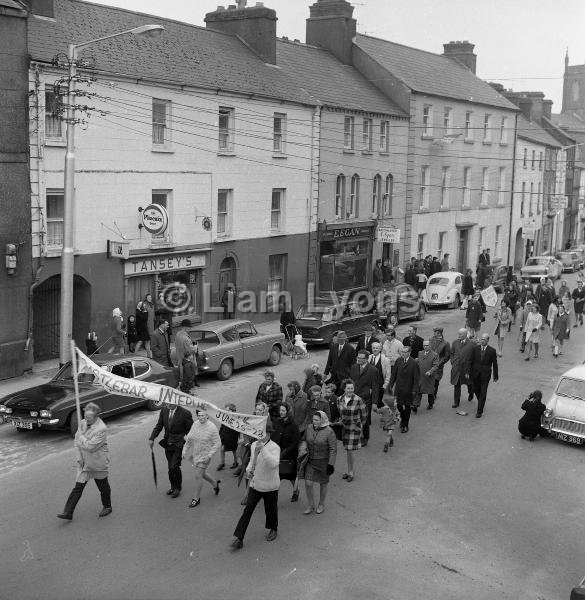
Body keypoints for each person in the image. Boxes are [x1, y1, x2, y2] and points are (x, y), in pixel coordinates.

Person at [57, 403, 112, 520]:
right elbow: (76, 442)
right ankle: (68, 512)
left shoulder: (101, 429)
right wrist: (79, 458)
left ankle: (107, 506)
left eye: (89, 418)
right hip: (84, 463)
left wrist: (82, 437)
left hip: (97, 463)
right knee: (78, 487)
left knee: (103, 486)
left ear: (96, 417)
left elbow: (91, 447)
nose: (86, 419)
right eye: (85, 416)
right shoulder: (82, 423)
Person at [230, 431, 280, 550]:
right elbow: (252, 461)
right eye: (258, 434)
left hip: (270, 485)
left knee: (271, 509)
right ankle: (239, 538)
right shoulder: (253, 445)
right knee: (247, 510)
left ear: (268, 435)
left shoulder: (275, 447)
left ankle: (273, 529)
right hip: (256, 484)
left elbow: (273, 464)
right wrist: (248, 470)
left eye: (262, 434)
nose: (259, 436)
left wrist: (263, 449)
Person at [148, 401, 194, 498]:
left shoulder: (185, 413)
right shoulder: (164, 410)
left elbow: (191, 430)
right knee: (170, 467)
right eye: (166, 402)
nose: (167, 404)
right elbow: (159, 426)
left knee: (174, 466)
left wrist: (187, 439)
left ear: (176, 402)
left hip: (179, 443)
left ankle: (178, 488)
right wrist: (152, 438)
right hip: (168, 442)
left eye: (169, 402)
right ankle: (173, 486)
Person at [182, 410, 221, 508]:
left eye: (203, 415)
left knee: (198, 475)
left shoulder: (212, 427)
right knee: (202, 474)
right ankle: (215, 483)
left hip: (205, 456)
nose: (201, 417)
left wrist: (209, 455)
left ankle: (196, 498)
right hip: (196, 454)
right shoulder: (195, 424)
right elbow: (190, 438)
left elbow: (217, 443)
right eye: (199, 415)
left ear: (207, 415)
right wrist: (184, 450)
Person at [300, 411, 337, 514]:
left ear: (322, 420)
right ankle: (311, 505)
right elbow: (303, 440)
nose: (314, 422)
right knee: (308, 483)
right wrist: (302, 448)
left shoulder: (329, 432)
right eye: (313, 419)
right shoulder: (309, 427)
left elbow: (333, 449)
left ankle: (321, 504)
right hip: (311, 461)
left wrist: (331, 464)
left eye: (316, 420)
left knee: (323, 483)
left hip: (323, 462)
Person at [337, 380, 366, 482]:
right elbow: (340, 413)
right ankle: (349, 470)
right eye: (348, 388)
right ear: (344, 388)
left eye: (352, 388)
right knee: (348, 450)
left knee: (350, 451)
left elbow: (364, 416)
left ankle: (351, 472)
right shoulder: (339, 399)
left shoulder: (358, 400)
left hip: (354, 428)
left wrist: (358, 425)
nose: (350, 390)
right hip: (344, 428)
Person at [348, 349, 379, 446]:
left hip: (365, 399)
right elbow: (350, 382)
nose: (358, 359)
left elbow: (375, 387)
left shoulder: (373, 370)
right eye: (358, 357)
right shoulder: (353, 367)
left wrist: (374, 402)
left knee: (364, 420)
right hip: (353, 397)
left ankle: (365, 437)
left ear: (366, 359)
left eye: (361, 358)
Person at [271, 403, 300, 501]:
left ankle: (296, 491)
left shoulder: (293, 425)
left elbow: (295, 441)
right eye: (280, 410)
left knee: (291, 476)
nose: (281, 412)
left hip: (289, 456)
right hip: (276, 454)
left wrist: (285, 452)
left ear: (288, 411)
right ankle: (274, 498)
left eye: (283, 410)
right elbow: (273, 435)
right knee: (277, 477)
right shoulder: (277, 422)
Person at [389, 347, 419, 432]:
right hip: (399, 389)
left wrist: (414, 389)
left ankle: (405, 424)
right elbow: (394, 374)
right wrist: (390, 385)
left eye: (405, 352)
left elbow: (416, 378)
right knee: (398, 405)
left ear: (409, 352)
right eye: (402, 352)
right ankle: (403, 418)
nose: (403, 354)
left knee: (407, 407)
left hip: (408, 389)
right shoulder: (398, 361)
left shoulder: (413, 363)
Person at [469, 333, 498, 418]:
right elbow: (471, 361)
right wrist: (468, 372)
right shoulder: (475, 348)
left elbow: (495, 364)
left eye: (484, 339)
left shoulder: (492, 350)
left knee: (483, 392)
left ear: (488, 340)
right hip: (475, 374)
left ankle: (479, 411)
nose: (482, 341)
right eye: (481, 339)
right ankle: (481, 401)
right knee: (476, 390)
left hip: (485, 375)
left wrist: (495, 376)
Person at [450, 328, 475, 408]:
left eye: (460, 334)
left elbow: (475, 356)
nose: (459, 335)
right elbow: (452, 353)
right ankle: (456, 402)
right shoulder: (455, 342)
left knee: (469, 383)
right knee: (457, 385)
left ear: (465, 334)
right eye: (458, 334)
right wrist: (453, 361)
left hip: (467, 369)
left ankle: (471, 393)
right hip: (457, 368)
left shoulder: (472, 344)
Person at [174, 319, 199, 392]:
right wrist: (196, 346)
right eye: (189, 327)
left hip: (180, 357)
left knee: (182, 374)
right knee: (188, 376)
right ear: (185, 327)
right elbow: (191, 350)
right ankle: (186, 391)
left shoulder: (177, 334)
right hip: (187, 360)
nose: (190, 329)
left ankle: (183, 387)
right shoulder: (185, 338)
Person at [416, 340, 440, 410]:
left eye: (427, 345)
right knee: (418, 390)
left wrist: (430, 372)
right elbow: (418, 362)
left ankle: (431, 403)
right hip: (420, 375)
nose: (425, 347)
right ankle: (415, 405)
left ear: (430, 346)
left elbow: (435, 366)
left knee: (430, 391)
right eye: (424, 345)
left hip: (429, 376)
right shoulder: (420, 353)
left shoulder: (434, 354)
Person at [217, 403, 239, 471]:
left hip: (232, 438)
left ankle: (236, 462)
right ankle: (222, 463)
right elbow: (222, 427)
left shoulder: (236, 418)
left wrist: (238, 438)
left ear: (232, 410)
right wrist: (220, 434)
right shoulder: (225, 416)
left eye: (228, 410)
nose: (226, 411)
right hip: (225, 437)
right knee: (222, 450)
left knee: (234, 451)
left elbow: (238, 430)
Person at [429, 327, 451, 397]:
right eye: (434, 332)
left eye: (435, 332)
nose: (434, 333)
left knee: (436, 380)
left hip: (438, 365)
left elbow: (447, 356)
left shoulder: (445, 343)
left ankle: (434, 394)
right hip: (429, 364)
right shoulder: (430, 340)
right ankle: (430, 392)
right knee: (430, 379)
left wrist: (440, 363)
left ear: (439, 333)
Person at [369, 341, 391, 407]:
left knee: (378, 402)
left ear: (380, 349)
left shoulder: (385, 360)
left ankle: (386, 413)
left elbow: (388, 374)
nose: (375, 349)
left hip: (380, 385)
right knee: (369, 402)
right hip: (369, 385)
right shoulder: (368, 358)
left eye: (377, 348)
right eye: (374, 348)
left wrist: (385, 385)